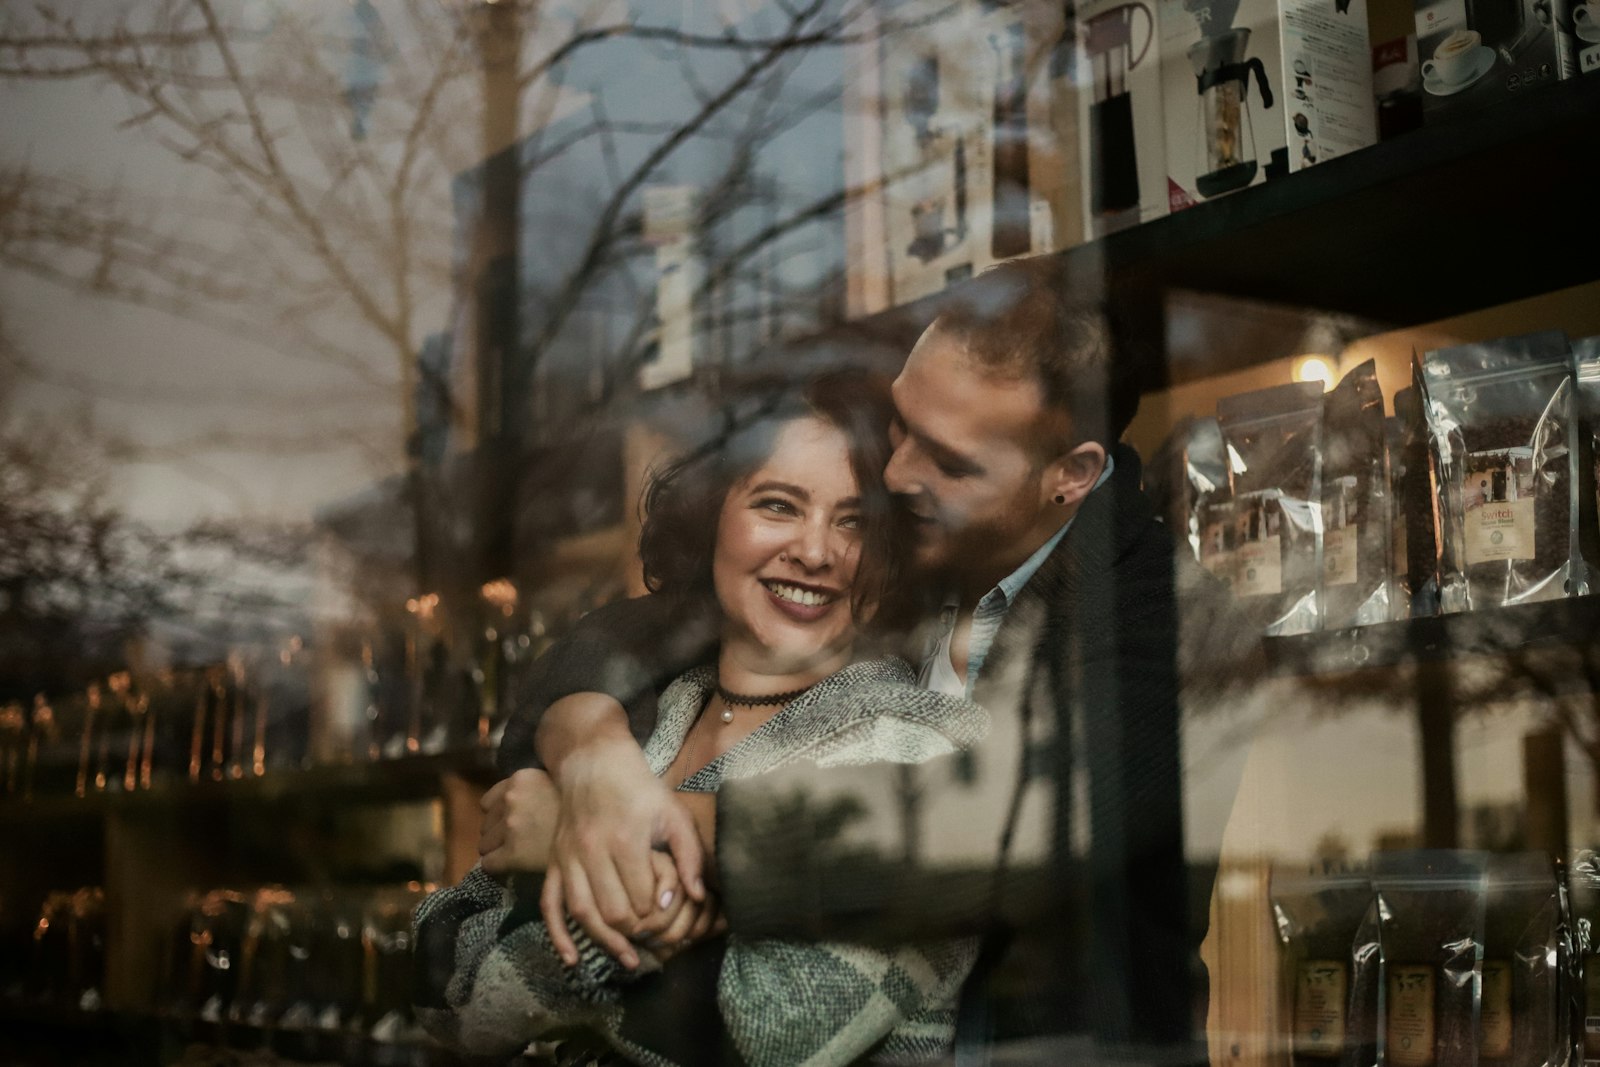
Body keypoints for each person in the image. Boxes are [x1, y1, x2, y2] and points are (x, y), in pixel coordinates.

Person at [493, 254, 1220, 1064]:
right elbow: (642, 624)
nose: (898, 471)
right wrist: (590, 749)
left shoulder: (1180, 617)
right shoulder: (913, 531)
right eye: (902, 423)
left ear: (1071, 476)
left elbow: (998, 827)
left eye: (946, 459)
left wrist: (653, 831)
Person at [413, 369, 992, 1065]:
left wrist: (574, 852)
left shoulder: (917, 744)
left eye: (855, 521)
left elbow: (778, 1031)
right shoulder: (651, 714)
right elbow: (436, 968)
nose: (816, 551)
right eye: (778, 505)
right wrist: (676, 905)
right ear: (710, 514)